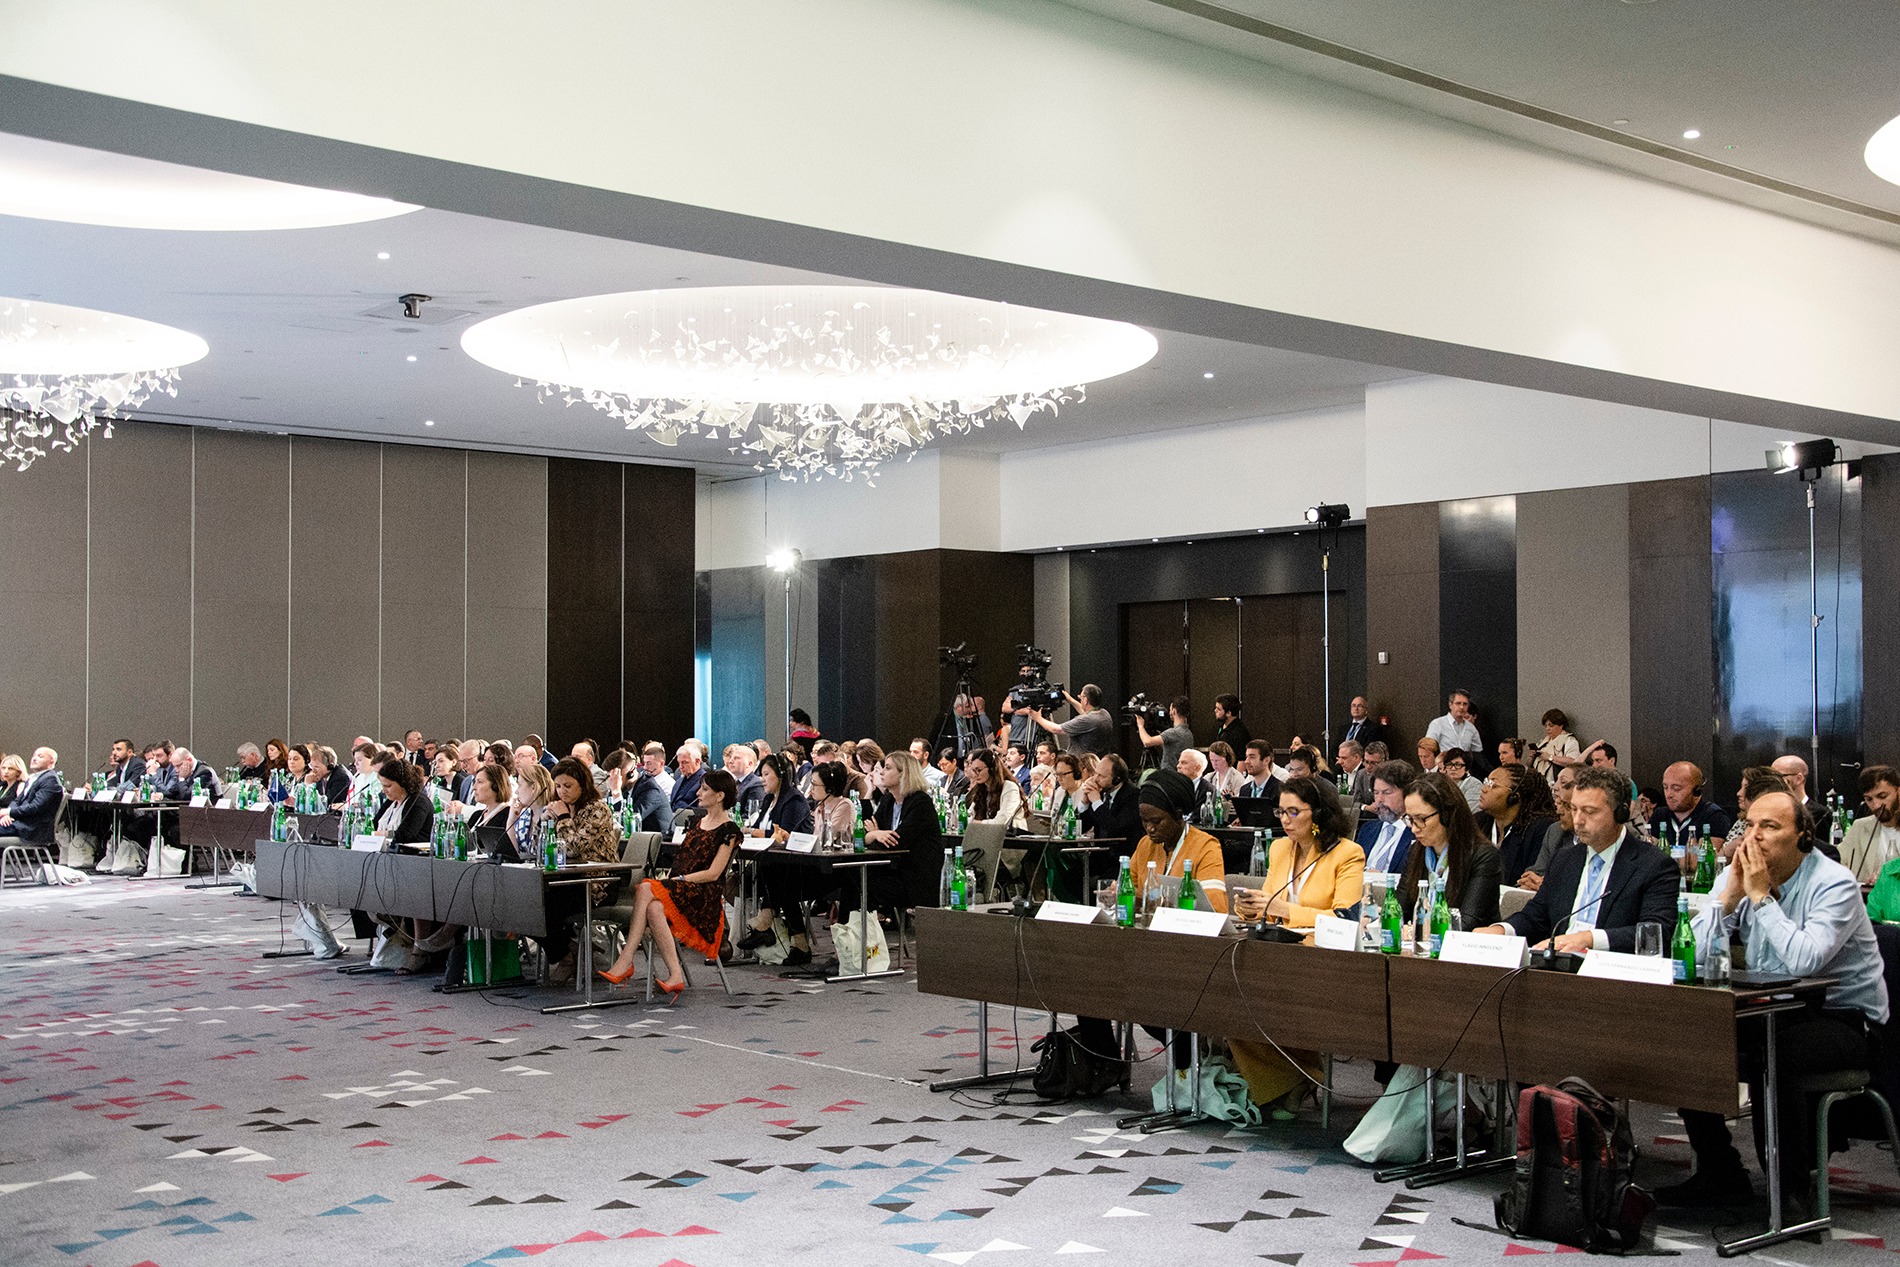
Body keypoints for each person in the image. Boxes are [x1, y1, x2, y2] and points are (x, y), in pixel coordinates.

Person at [1663, 791, 1890, 1210]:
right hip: (1773, 1006)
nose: (1755, 836)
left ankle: (1790, 1191)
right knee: (1689, 1037)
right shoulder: (1740, 874)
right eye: (1750, 825)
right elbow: (1690, 955)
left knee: (1774, 1053)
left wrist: (1760, 898)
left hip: (1845, 1019)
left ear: (1803, 836)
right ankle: (1721, 1171)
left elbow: (1805, 961)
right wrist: (1727, 901)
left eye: (1769, 826)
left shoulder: (1834, 883)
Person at [1228, 776, 1361, 1114]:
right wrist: (1250, 906)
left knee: (1263, 998)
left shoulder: (1347, 853)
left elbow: (1345, 918)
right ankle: (1297, 1076)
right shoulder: (1279, 848)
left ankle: (1294, 1077)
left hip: (1322, 956)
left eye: (1293, 812)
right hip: (1279, 949)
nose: (1285, 820)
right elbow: (1270, 903)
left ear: (1318, 814)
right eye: (1280, 812)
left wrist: (1285, 910)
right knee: (1229, 995)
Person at [1472, 766, 1677, 952]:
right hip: (1560, 966)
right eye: (1574, 809)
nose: (1578, 820)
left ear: (1620, 813)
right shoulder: (1565, 859)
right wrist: (1502, 930)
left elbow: (1657, 932)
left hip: (1613, 971)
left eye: (1589, 811)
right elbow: (1536, 917)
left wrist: (1589, 939)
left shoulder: (1654, 865)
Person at [599, 768, 734, 994]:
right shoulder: (697, 822)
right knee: (653, 907)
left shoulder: (729, 830)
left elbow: (713, 874)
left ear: (720, 796)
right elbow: (681, 861)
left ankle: (626, 959)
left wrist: (678, 879)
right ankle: (675, 975)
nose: (698, 793)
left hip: (703, 896)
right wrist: (673, 880)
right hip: (682, 887)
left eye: (704, 789)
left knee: (645, 887)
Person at [533, 757, 623, 983]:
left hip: (597, 884)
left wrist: (563, 818)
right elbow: (537, 848)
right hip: (563, 878)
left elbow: (573, 847)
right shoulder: (558, 808)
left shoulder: (597, 809)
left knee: (544, 905)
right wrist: (544, 822)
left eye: (568, 786)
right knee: (524, 902)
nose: (562, 791)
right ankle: (571, 950)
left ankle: (566, 958)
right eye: (558, 786)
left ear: (583, 785)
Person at [1397, 771, 1502, 928]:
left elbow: (1466, 923)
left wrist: (1418, 931)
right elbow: (1400, 910)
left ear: (1447, 814)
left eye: (1421, 819)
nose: (1414, 828)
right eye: (1410, 819)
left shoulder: (1483, 856)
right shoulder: (1416, 851)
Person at [862, 750, 945, 913]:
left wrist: (876, 836)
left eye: (888, 768)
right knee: (853, 879)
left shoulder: (920, 802)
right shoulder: (888, 799)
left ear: (903, 774)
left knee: (863, 883)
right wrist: (875, 834)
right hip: (893, 870)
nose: (882, 772)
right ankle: (854, 927)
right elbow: (863, 830)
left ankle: (864, 926)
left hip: (915, 879)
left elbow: (895, 842)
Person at [1476, 763, 1561, 887]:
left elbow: (1530, 878)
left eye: (1493, 785)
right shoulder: (1479, 821)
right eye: (1486, 782)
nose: (1484, 789)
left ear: (1514, 797)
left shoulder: (1539, 829)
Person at [1356, 760, 1418, 877]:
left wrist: (1382, 878)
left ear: (1407, 793)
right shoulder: (1367, 830)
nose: (1379, 799)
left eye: (1387, 792)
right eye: (1376, 793)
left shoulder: (1418, 832)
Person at [1840, 764, 1900, 884]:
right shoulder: (1859, 827)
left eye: (1882, 796)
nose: (1876, 805)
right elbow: (1837, 863)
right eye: (1869, 799)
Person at [1653, 761, 1733, 845]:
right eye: (1665, 787)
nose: (1669, 794)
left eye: (1676, 788)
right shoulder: (1660, 815)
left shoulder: (1714, 816)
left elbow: (1707, 852)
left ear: (1696, 790)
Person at [1028, 683, 1115, 758]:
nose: (1080, 700)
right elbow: (1086, 712)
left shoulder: (1086, 720)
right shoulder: (1104, 714)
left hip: (1079, 762)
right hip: (1096, 760)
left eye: (1080, 697)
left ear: (1085, 700)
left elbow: (1056, 729)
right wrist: (1070, 699)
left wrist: (1038, 718)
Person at [0, 747, 62, 852]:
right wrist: (7, 814)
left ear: (51, 762)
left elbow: (35, 807)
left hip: (31, 829)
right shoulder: (34, 778)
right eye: (34, 755)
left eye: (40, 756)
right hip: (20, 824)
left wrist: (8, 812)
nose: (34, 758)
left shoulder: (50, 780)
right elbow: (17, 801)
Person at [1078, 753, 1141, 848]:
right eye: (1096, 773)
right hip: (1099, 853)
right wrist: (1084, 803)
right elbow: (1079, 829)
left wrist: (1097, 802)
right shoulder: (1100, 792)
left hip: (1121, 853)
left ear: (1116, 780)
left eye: (1101, 776)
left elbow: (1115, 831)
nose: (1095, 779)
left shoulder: (1133, 796)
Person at [371, 757, 435, 847]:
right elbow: (373, 825)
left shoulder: (419, 802)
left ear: (403, 783)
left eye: (388, 786)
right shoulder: (390, 802)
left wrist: (376, 834)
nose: (384, 791)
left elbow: (405, 835)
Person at [965, 749, 1025, 832]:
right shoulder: (981, 788)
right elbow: (970, 816)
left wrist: (978, 823)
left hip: (1010, 837)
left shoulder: (1010, 788)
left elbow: (1001, 822)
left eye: (979, 770)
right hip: (988, 835)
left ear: (992, 769)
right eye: (973, 770)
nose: (975, 775)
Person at [1135, 695, 1195, 772]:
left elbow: (1147, 742)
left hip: (1169, 774)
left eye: (1170, 710)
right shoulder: (1189, 733)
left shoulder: (1173, 733)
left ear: (1174, 711)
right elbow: (1172, 747)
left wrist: (1140, 726)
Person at [508, 761, 555, 860]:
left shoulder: (551, 814)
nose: (516, 791)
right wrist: (511, 821)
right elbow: (512, 855)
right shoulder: (524, 815)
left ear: (533, 787)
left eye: (520, 785)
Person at [1425, 690, 1482, 765]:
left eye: (1465, 704)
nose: (1462, 707)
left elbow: (1477, 752)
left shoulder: (1471, 728)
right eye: (1458, 703)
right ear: (1450, 705)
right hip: (1444, 767)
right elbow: (1428, 747)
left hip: (1464, 768)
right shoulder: (1438, 724)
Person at [1529, 709, 1582, 778]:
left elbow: (1574, 762)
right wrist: (1532, 757)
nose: (1547, 729)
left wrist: (1550, 757)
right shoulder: (1543, 742)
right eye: (1546, 726)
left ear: (1561, 725)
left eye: (1551, 725)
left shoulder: (1569, 741)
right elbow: (1529, 765)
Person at [1236, 739, 1282, 805]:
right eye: (1246, 757)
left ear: (1266, 760)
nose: (1246, 761)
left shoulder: (1280, 790)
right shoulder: (1244, 790)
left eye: (1252, 757)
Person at [1438, 747, 1483, 813]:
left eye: (1458, 765)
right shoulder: (1441, 784)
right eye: (1449, 764)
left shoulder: (1474, 784)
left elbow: (1469, 811)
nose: (1453, 768)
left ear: (1466, 768)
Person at [1335, 739, 1373, 806]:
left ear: (1356, 757)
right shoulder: (1339, 772)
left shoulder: (1366, 773)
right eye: (1339, 757)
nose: (1340, 762)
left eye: (1344, 758)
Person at [669, 743, 705, 813]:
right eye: (679, 763)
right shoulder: (679, 781)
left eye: (684, 762)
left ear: (697, 761)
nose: (680, 767)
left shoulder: (705, 782)